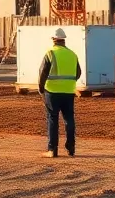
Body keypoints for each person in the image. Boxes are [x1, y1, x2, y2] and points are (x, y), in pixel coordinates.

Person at [38, 27, 81, 157]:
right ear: (64, 40)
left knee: (53, 119)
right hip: (68, 92)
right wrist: (68, 83)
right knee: (69, 119)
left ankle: (52, 150)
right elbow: (78, 73)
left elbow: (42, 73)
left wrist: (41, 88)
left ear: (53, 39)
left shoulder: (50, 53)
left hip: (52, 91)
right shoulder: (72, 54)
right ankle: (71, 147)